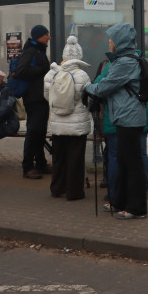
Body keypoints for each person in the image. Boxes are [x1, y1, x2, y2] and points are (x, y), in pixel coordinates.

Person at [83, 23, 147, 220]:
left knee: (132, 163)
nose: (109, 41)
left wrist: (87, 88)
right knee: (123, 160)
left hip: (130, 118)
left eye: (112, 38)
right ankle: (119, 201)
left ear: (119, 41)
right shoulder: (123, 60)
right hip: (124, 116)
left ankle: (137, 208)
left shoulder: (126, 63)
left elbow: (105, 86)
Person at [43, 36, 92, 201]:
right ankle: (74, 192)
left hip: (58, 124)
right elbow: (87, 98)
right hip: (77, 125)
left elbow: (47, 97)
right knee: (75, 159)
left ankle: (57, 188)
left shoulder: (52, 73)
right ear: (79, 56)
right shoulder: (82, 75)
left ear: (64, 56)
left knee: (58, 158)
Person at [12, 24, 52, 179]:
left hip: (41, 98)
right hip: (33, 98)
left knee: (40, 132)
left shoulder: (39, 50)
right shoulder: (31, 51)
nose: (49, 37)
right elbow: (21, 70)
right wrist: (42, 69)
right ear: (39, 36)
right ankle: (27, 167)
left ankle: (40, 164)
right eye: (46, 34)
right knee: (33, 131)